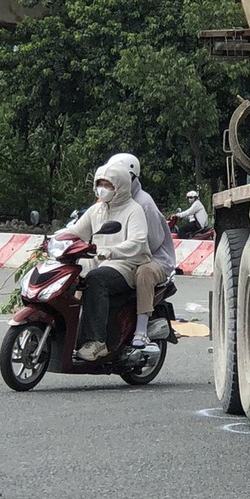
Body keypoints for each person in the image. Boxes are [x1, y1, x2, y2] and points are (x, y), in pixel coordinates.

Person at [61, 160, 150, 361]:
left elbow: (138, 242)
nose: (103, 189)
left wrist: (111, 251)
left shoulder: (133, 210)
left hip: (127, 265)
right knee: (69, 274)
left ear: (120, 186)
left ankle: (96, 342)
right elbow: (76, 232)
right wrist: (54, 240)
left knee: (96, 279)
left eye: (108, 185)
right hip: (98, 261)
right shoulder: (96, 210)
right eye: (100, 184)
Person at [104, 152, 174, 347]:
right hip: (122, 256)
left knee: (144, 274)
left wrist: (119, 251)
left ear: (132, 179)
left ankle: (141, 330)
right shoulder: (109, 201)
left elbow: (152, 242)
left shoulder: (144, 204)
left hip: (154, 258)